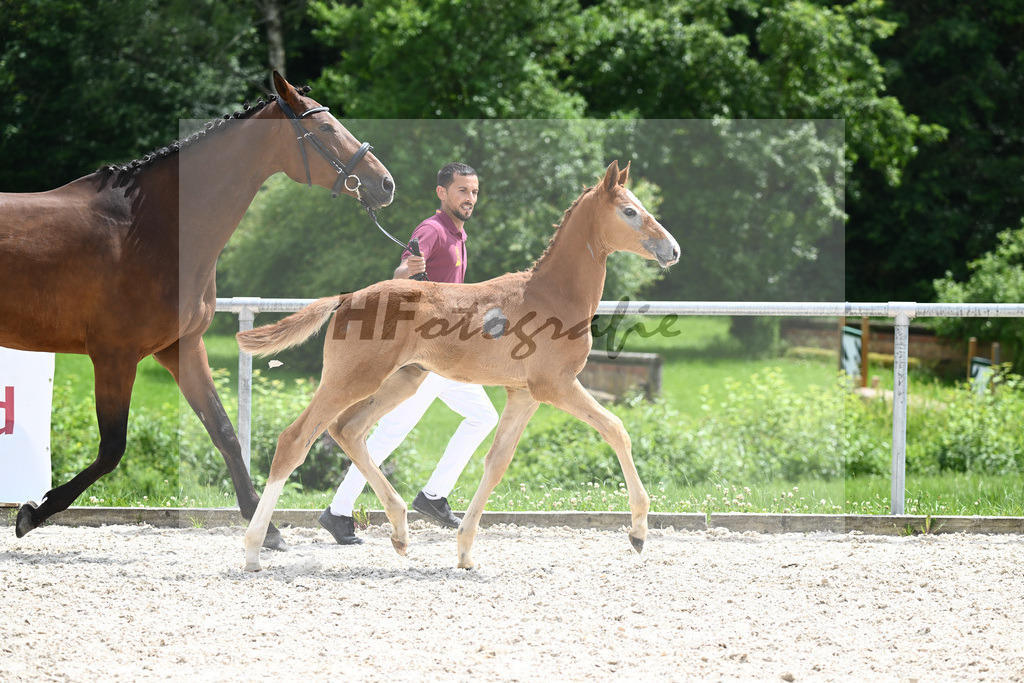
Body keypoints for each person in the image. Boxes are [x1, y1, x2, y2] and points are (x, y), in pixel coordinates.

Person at [319, 162, 499, 544]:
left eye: (474, 192)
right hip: (427, 354)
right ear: (442, 193)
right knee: (388, 433)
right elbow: (399, 276)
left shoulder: (458, 235)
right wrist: (404, 273)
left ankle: (431, 497)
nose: (469, 198)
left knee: (482, 417)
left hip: (446, 353)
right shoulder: (432, 230)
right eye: (462, 191)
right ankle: (341, 511)